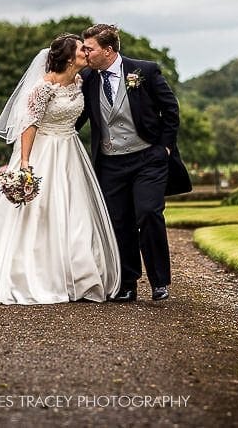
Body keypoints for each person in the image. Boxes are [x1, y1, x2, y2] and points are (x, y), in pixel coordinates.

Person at [0, 34, 120, 305]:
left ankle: (81, 278)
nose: (87, 53)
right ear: (68, 57)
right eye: (82, 49)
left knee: (76, 213)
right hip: (43, 152)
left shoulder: (80, 82)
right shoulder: (43, 87)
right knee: (39, 213)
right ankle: (31, 275)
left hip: (71, 152)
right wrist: (25, 163)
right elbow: (28, 125)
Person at [77, 23, 192, 303]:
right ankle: (127, 284)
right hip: (110, 163)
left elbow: (170, 108)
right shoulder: (88, 79)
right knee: (119, 222)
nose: (84, 53)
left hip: (147, 159)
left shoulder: (145, 71)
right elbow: (77, 118)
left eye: (89, 48)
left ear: (108, 50)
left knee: (148, 212)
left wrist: (164, 147)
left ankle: (159, 282)